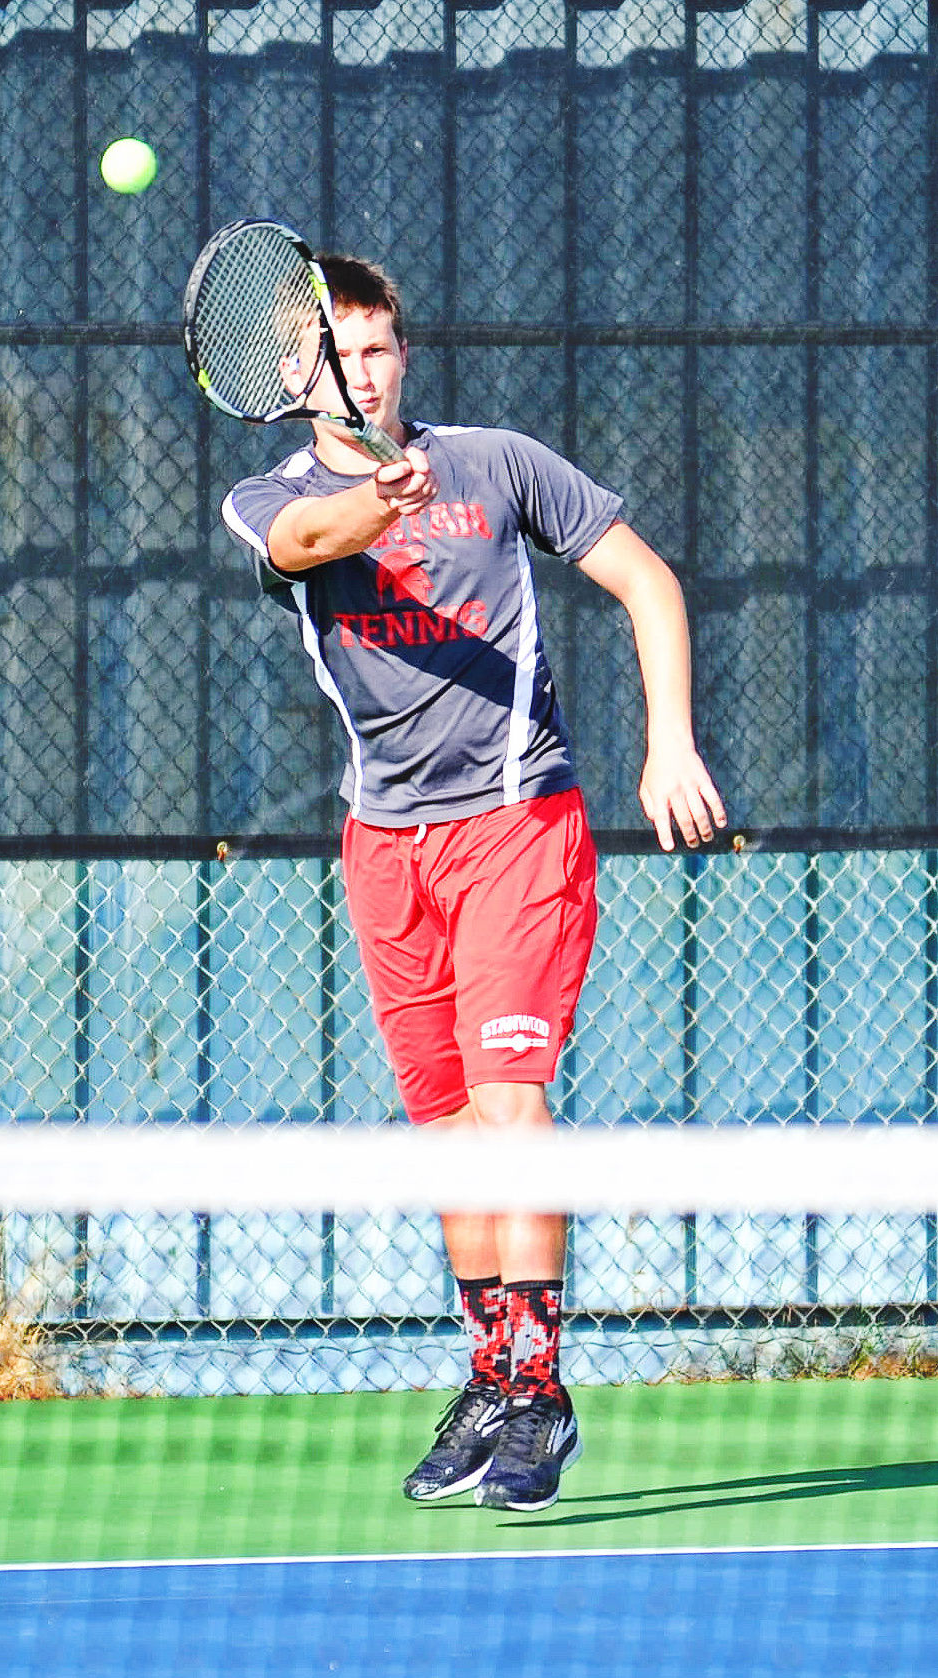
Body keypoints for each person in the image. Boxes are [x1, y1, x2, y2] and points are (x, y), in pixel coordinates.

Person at [222, 253, 726, 1513]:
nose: (366, 372)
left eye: (381, 349)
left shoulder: (498, 462)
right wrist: (372, 507)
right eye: (339, 354)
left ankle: (542, 1388)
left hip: (518, 825)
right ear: (295, 375)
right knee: (445, 1135)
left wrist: (668, 738)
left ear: (401, 357)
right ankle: (493, 1371)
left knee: (510, 1103)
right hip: (384, 845)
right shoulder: (264, 495)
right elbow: (303, 539)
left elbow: (646, 582)